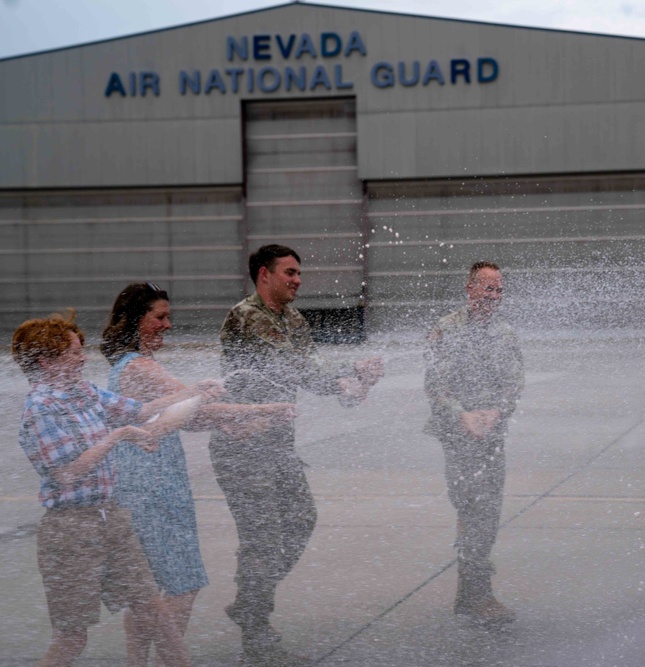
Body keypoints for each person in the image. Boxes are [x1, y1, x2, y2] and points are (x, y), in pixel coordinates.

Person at [100, 282, 296, 665]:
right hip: (154, 487)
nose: (168, 325)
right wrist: (264, 409)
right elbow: (199, 406)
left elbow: (184, 417)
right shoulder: (139, 367)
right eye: (159, 317)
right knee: (182, 584)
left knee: (147, 593)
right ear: (134, 320)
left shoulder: (131, 365)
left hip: (141, 483)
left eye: (168, 316)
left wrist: (232, 421)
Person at [208, 244, 383, 666]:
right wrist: (346, 376)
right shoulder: (247, 316)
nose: (297, 280)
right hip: (242, 444)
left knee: (301, 520)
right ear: (263, 275)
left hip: (278, 445)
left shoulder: (295, 319)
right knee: (263, 538)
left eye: (299, 273)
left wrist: (357, 383)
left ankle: (251, 598)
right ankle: (258, 634)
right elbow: (291, 367)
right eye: (288, 272)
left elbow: (314, 372)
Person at [12, 310, 213, 667]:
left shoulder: (84, 391)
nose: (81, 358)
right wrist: (116, 437)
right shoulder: (40, 410)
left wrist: (194, 391)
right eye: (73, 353)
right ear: (45, 362)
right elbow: (68, 473)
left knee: (155, 612)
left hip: (112, 519)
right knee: (72, 637)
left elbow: (140, 410)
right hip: (71, 530)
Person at [424, 261, 525, 625]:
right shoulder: (446, 328)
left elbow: (515, 381)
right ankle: (475, 595)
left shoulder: (505, 332)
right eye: (487, 289)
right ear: (470, 289)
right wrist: (462, 415)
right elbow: (435, 383)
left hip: (491, 435)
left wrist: (498, 411)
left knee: (488, 511)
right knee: (473, 509)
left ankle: (472, 593)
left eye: (499, 290)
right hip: (458, 434)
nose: (494, 296)